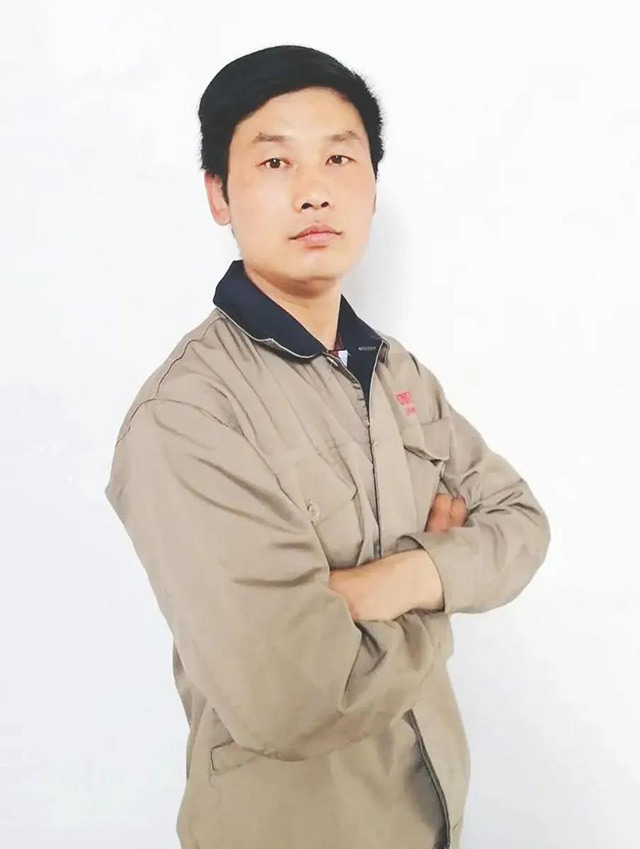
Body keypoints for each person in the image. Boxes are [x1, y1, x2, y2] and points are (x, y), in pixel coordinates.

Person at [104, 44, 551, 849]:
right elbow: (290, 691)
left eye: (339, 157)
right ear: (219, 194)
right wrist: (444, 591)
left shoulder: (395, 372)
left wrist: (395, 578)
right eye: (275, 161)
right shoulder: (189, 414)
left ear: (372, 186)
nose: (314, 189)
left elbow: (521, 524)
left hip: (430, 817)